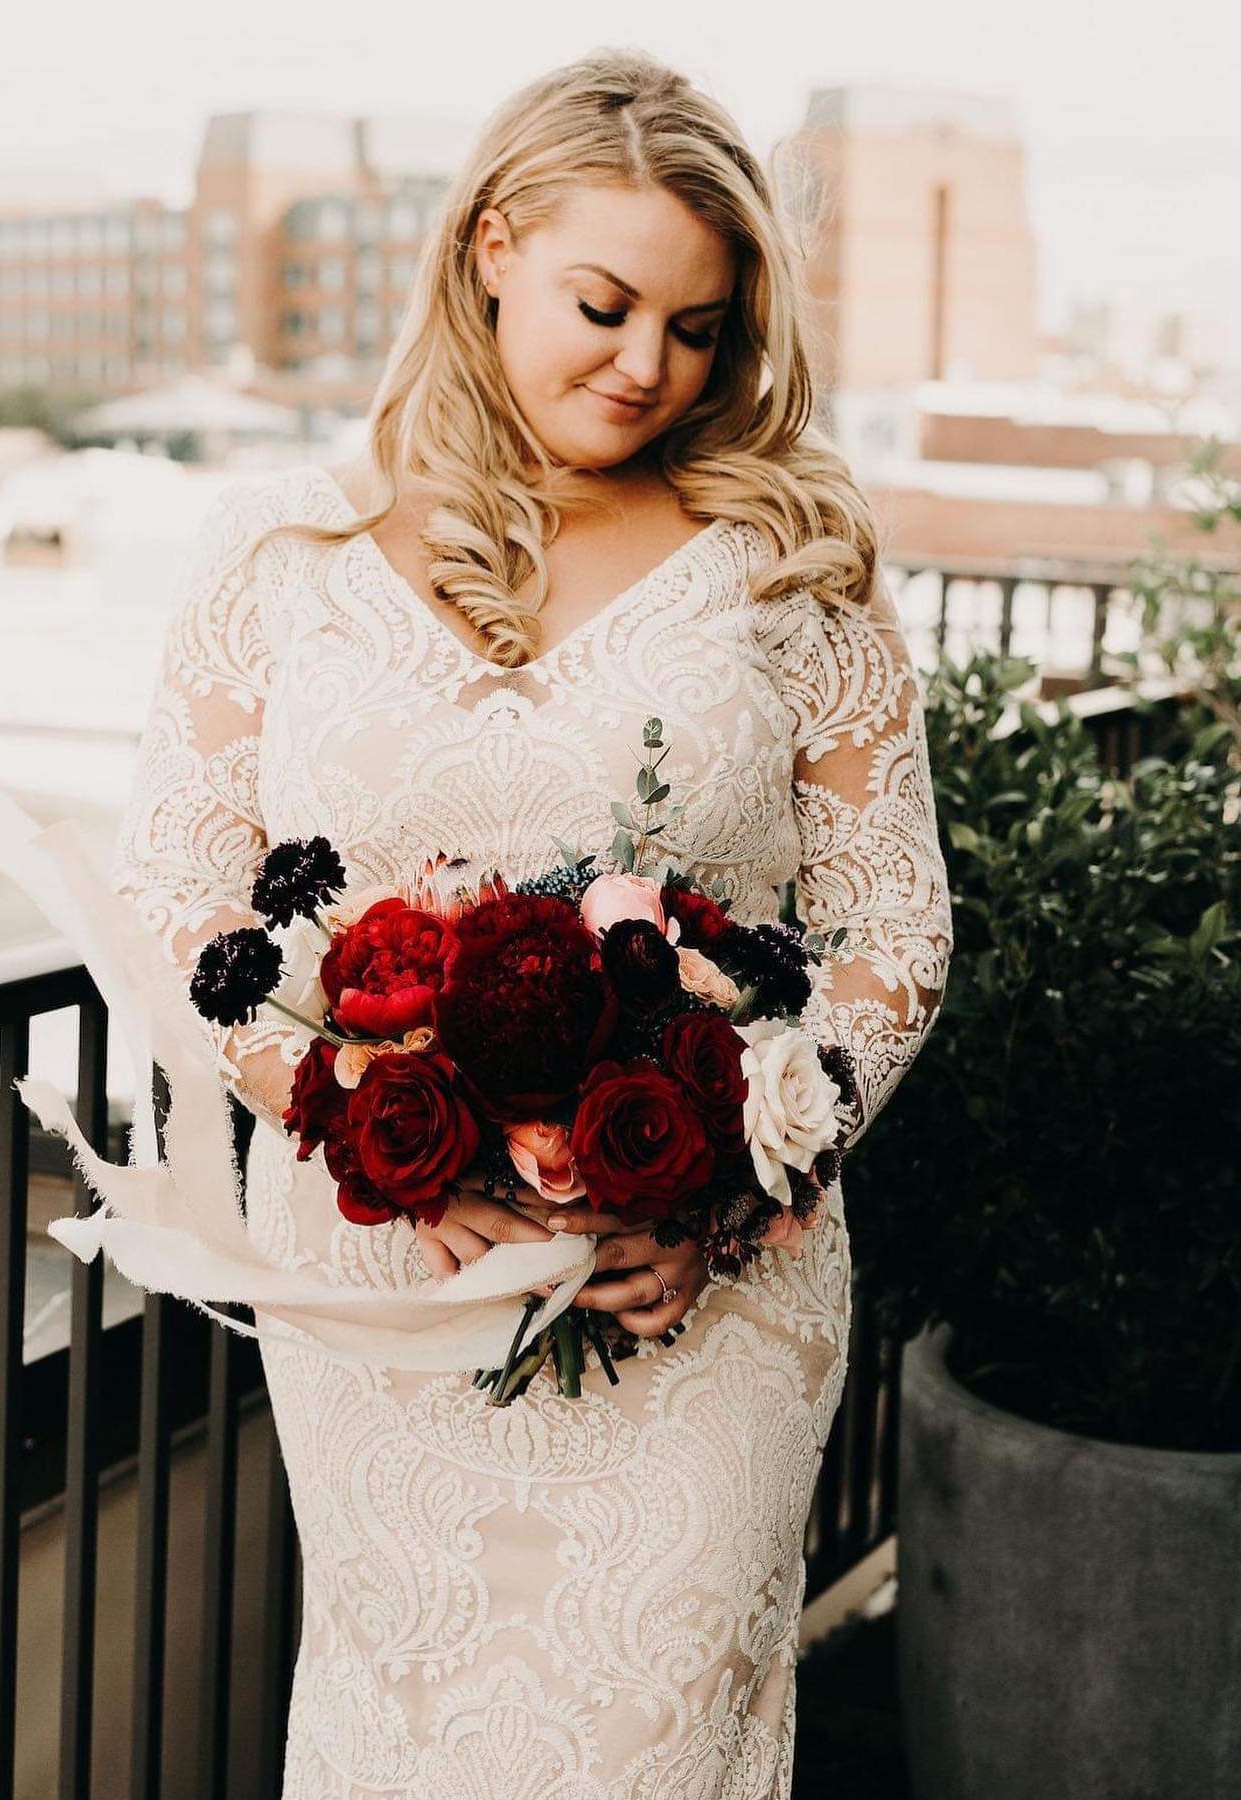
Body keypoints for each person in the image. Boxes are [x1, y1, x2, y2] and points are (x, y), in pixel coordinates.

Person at [111, 45, 953, 1799]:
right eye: (605, 301)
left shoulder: (794, 557)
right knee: (404, 1725)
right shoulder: (283, 552)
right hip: (382, 1291)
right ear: (493, 242)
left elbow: (893, 922)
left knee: (651, 1740)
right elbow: (190, 897)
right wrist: (366, 1124)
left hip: (702, 1303)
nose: (649, 364)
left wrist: (733, 1181)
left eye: (701, 327)